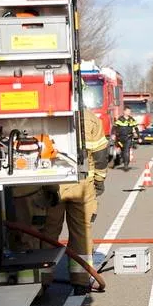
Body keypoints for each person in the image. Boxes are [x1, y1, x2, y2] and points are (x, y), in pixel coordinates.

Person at [41, 111, 110, 288]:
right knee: (81, 232)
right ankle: (81, 280)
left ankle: (43, 281)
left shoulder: (45, 113)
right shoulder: (90, 118)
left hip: (51, 182)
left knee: (48, 231)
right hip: (81, 181)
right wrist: (99, 181)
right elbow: (100, 155)